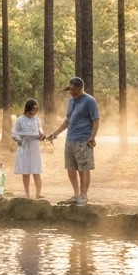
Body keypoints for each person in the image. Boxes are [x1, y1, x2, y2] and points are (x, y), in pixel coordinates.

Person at [47, 77, 101, 205]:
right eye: (70, 88)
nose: (71, 91)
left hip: (83, 139)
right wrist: (55, 134)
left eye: (74, 89)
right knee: (70, 167)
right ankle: (76, 194)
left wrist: (92, 136)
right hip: (70, 139)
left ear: (80, 88)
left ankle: (83, 195)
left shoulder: (89, 101)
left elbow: (96, 120)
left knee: (84, 168)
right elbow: (67, 121)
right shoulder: (71, 101)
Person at [12, 99, 45, 199]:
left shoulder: (37, 120)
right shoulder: (20, 120)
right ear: (28, 108)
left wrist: (41, 135)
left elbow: (40, 130)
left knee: (36, 170)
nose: (35, 111)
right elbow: (14, 133)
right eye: (33, 108)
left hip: (34, 147)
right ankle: (27, 194)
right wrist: (20, 140)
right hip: (24, 146)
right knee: (26, 171)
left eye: (36, 109)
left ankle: (38, 194)